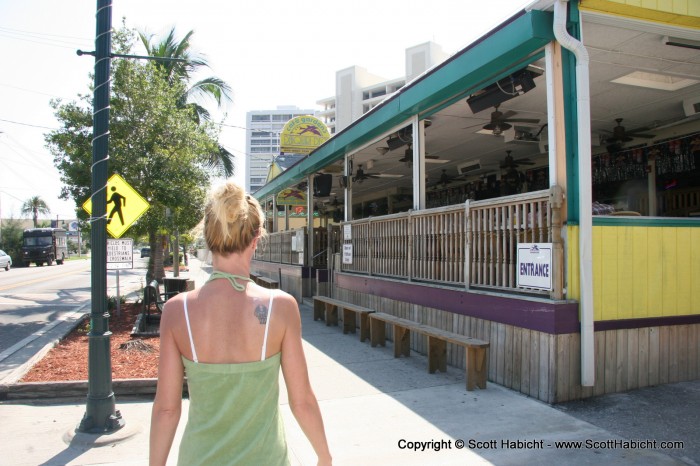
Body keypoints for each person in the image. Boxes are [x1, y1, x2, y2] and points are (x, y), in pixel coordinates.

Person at [150, 181, 332, 466]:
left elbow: (166, 409)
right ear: (257, 237)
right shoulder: (280, 307)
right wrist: (324, 456)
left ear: (208, 239)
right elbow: (302, 401)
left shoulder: (177, 311)